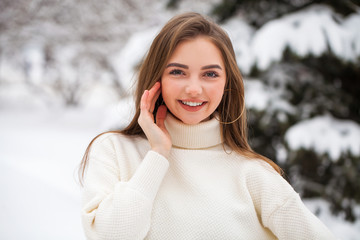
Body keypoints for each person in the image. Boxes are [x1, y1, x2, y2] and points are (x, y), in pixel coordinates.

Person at [79, 12, 336, 240]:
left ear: (227, 84)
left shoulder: (253, 174)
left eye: (210, 74)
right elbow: (111, 235)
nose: (194, 88)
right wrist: (157, 155)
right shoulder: (115, 151)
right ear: (157, 78)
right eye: (178, 72)